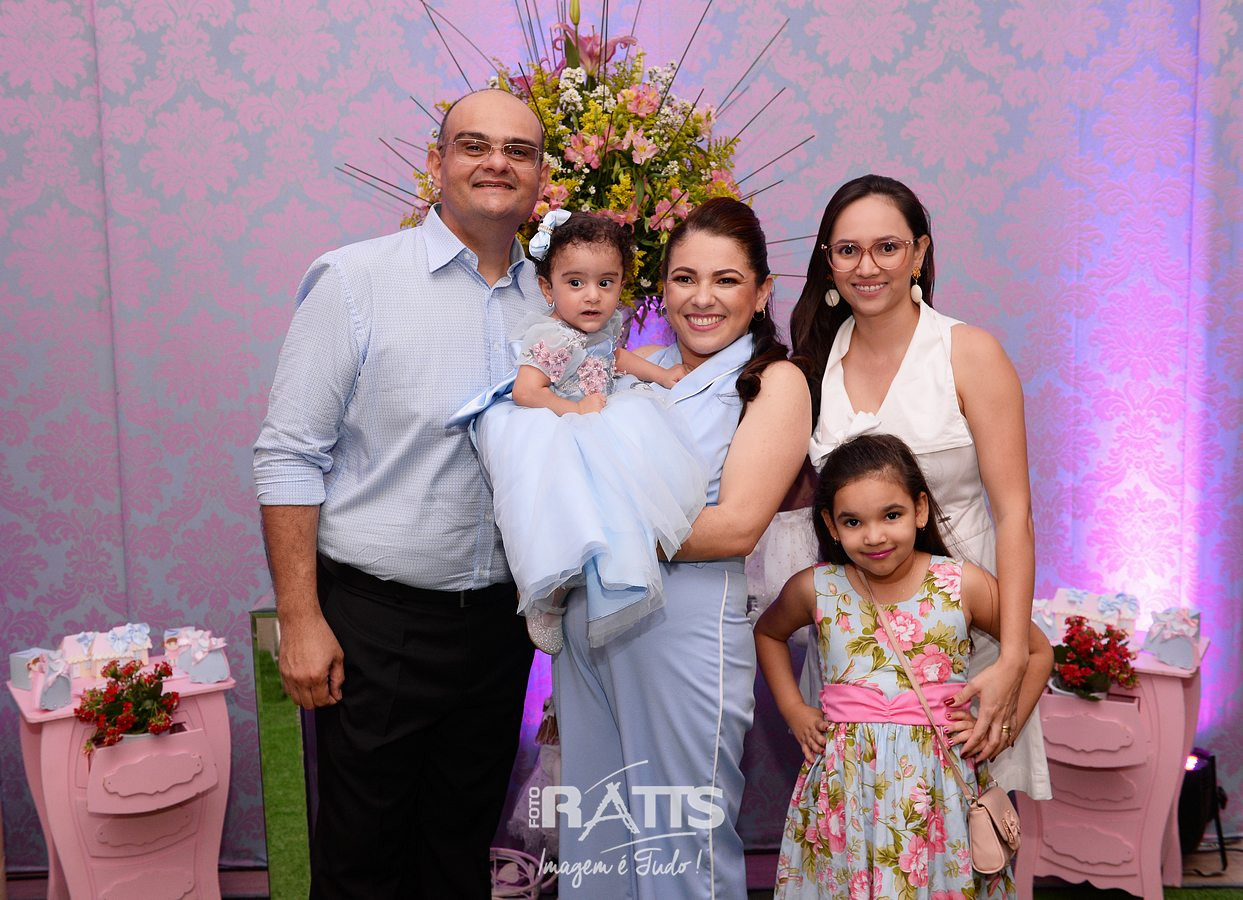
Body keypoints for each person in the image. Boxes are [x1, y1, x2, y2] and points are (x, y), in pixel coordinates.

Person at [252, 89, 550, 898]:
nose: (496, 163)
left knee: (459, 851)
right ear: (436, 162)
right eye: (474, 145)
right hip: (377, 626)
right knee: (362, 858)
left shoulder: (555, 302)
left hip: (500, 630)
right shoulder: (355, 280)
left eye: (518, 151)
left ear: (541, 176)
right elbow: (288, 455)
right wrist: (300, 618)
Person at [551, 198, 812, 899]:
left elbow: (735, 527)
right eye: (684, 278)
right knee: (595, 841)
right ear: (661, 288)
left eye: (726, 280)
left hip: (683, 628)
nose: (702, 298)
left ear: (762, 292)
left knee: (679, 847)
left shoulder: (772, 382)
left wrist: (584, 531)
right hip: (589, 624)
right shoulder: (636, 367)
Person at [787, 174, 1050, 796]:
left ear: (920, 253)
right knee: (861, 808)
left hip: (970, 621)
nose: (867, 266)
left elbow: (1015, 515)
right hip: (857, 632)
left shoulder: (968, 352)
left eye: (887, 247)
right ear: (828, 261)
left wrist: (1014, 654)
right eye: (847, 250)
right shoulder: (813, 365)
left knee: (971, 812)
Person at [755, 433, 1052, 898]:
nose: (874, 535)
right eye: (853, 521)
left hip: (938, 790)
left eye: (891, 515)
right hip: (846, 791)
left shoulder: (961, 584)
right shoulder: (816, 587)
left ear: (920, 509)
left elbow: (1037, 651)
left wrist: (1003, 727)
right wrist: (794, 709)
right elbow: (768, 633)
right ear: (831, 525)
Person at [448, 209, 704, 654]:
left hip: (594, 412)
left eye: (606, 283)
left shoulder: (606, 325)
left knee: (616, 500)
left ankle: (598, 576)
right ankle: (545, 595)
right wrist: (574, 410)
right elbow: (526, 391)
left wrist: (662, 375)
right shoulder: (553, 337)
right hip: (552, 422)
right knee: (565, 513)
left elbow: (615, 358)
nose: (592, 296)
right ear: (548, 288)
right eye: (575, 283)